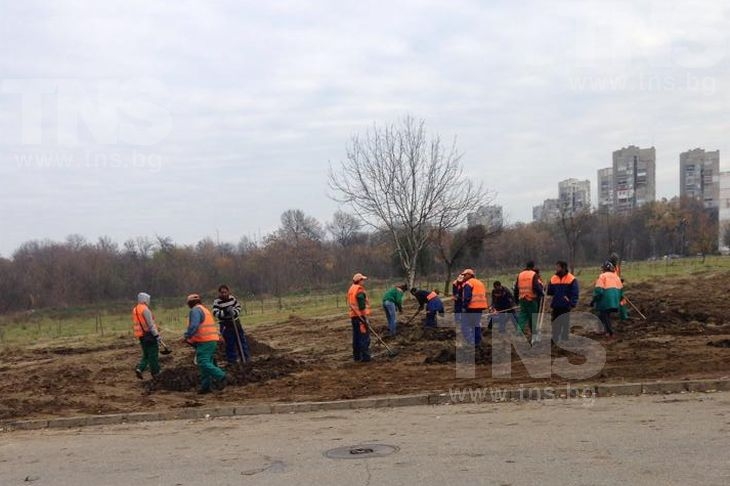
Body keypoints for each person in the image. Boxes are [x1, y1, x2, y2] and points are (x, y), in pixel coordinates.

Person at [182, 294, 227, 394]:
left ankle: (221, 375)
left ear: (189, 303)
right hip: (212, 340)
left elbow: (194, 326)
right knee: (206, 364)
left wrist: (187, 335)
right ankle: (205, 386)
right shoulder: (205, 310)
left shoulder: (195, 310)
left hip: (204, 341)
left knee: (202, 361)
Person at [212, 284, 251, 365]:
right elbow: (215, 313)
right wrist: (225, 312)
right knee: (230, 343)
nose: (224, 294)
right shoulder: (217, 302)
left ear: (228, 292)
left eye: (225, 292)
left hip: (236, 323)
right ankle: (232, 362)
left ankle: (246, 359)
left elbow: (238, 307)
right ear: (219, 293)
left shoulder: (232, 298)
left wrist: (234, 312)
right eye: (222, 293)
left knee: (241, 340)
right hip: (225, 325)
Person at [546, 261, 579, 343]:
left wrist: (572, 303)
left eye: (558, 267)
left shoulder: (571, 279)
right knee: (554, 322)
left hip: (565, 305)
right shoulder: (553, 278)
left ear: (563, 268)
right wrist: (546, 288)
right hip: (556, 304)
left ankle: (564, 338)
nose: (556, 269)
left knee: (565, 323)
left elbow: (575, 292)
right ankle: (555, 338)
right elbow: (550, 291)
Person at [132, 292, 161, 380]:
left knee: (146, 354)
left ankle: (139, 368)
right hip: (149, 336)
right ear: (145, 299)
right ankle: (156, 373)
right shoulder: (145, 309)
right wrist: (157, 335)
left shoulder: (135, 309)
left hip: (141, 336)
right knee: (153, 355)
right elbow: (150, 324)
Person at [591, 261, 623, 339]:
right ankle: (601, 329)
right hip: (615, 300)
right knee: (603, 315)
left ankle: (610, 332)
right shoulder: (616, 277)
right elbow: (621, 291)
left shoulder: (602, 276)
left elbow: (598, 291)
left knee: (605, 315)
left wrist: (594, 300)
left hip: (605, 300)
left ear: (604, 269)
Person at [514, 260, 544, 340]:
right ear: (533, 267)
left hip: (522, 299)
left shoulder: (520, 275)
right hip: (531, 299)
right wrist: (542, 293)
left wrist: (516, 300)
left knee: (522, 316)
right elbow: (536, 287)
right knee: (534, 317)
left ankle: (519, 332)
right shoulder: (533, 274)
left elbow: (516, 288)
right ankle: (535, 336)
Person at [460, 269, 488, 345]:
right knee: (476, 324)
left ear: (469, 275)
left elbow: (467, 297)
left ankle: (471, 342)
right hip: (480, 307)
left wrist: (464, 307)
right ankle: (477, 342)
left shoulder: (468, 283)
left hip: (471, 307)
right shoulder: (479, 282)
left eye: (465, 275)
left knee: (464, 325)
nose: (463, 277)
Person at [347, 273, 372, 362]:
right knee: (364, 337)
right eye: (362, 280)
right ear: (359, 281)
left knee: (356, 336)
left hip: (354, 316)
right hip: (360, 316)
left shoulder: (351, 288)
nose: (364, 281)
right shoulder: (359, 290)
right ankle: (365, 357)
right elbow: (361, 306)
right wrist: (365, 318)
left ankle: (356, 356)